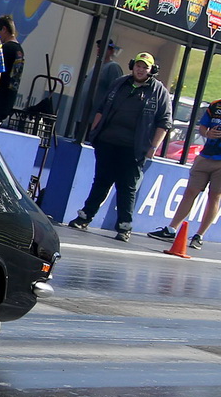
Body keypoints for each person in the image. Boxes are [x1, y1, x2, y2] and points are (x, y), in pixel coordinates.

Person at [67, 52, 172, 241]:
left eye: (145, 67)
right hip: (107, 142)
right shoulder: (120, 83)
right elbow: (101, 109)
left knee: (127, 187)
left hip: (133, 148)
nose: (140, 70)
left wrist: (153, 147)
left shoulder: (159, 91)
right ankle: (85, 217)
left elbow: (164, 122)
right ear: (133, 66)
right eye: (138, 66)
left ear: (152, 70)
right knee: (101, 181)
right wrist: (94, 132)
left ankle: (124, 226)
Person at [147, 98, 221, 250]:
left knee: (214, 196)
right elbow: (202, 127)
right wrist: (208, 133)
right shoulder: (215, 105)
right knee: (190, 191)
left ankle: (199, 235)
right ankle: (171, 229)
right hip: (206, 155)